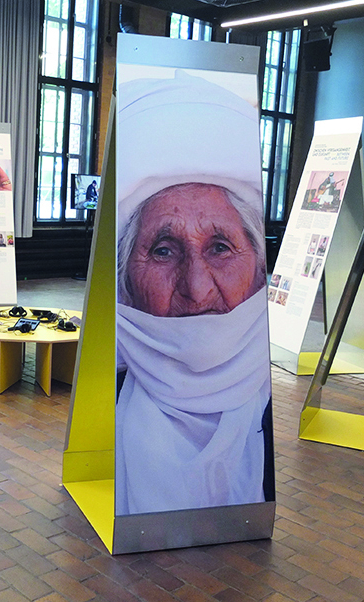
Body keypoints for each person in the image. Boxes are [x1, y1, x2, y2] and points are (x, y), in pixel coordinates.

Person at [115, 70, 273, 515]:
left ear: (259, 270)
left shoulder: (280, 408)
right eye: (163, 250)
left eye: (220, 247)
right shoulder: (100, 395)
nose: (197, 289)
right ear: (125, 282)